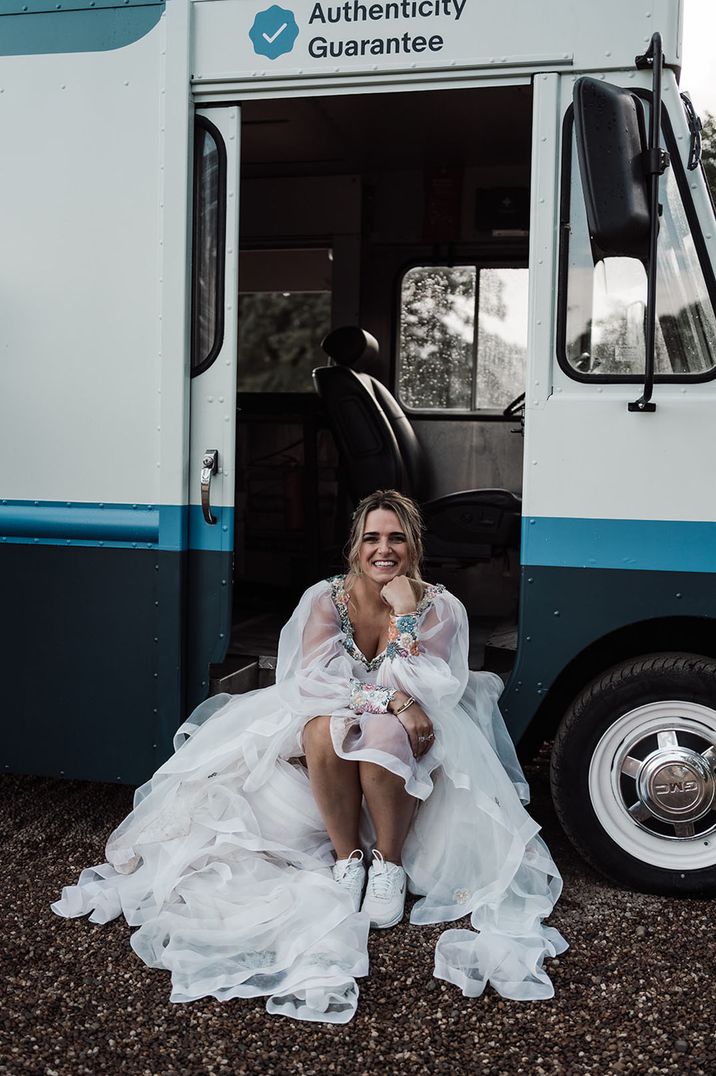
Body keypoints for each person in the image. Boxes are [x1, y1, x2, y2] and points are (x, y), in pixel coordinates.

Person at [53, 489, 567, 1024]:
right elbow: (311, 684)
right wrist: (389, 699)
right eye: (372, 538)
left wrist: (406, 617)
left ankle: (388, 864)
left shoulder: (441, 607)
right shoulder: (326, 599)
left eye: (396, 538)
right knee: (323, 732)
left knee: (388, 735)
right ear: (355, 546)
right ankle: (348, 860)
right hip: (338, 711)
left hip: (410, 724)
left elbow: (428, 689)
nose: (383, 549)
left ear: (414, 546)